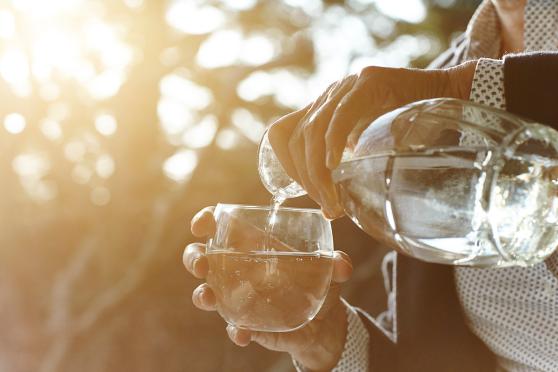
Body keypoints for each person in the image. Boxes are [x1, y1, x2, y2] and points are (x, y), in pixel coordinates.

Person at [184, 1, 558, 370]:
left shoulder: (437, 89)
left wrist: (463, 88)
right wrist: (326, 340)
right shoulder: (425, 94)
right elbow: (439, 354)